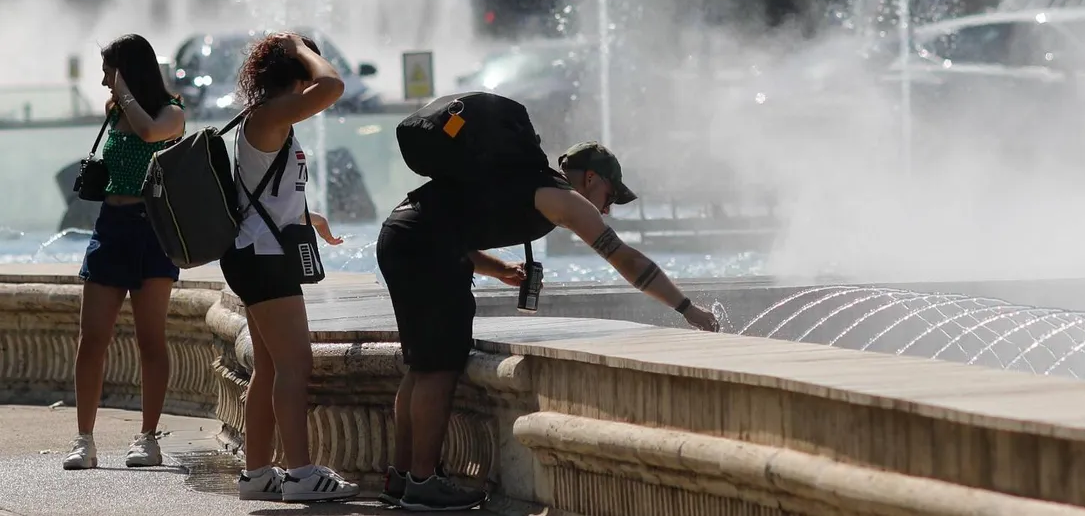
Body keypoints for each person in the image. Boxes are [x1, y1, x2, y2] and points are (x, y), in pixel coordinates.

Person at [375, 140, 720, 511]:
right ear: (591, 178)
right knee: (438, 368)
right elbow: (626, 260)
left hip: (401, 234)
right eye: (610, 195)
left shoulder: (530, 180)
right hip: (425, 248)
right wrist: (686, 308)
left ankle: (402, 477)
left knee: (422, 365)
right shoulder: (566, 199)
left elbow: (443, 223)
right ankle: (424, 483)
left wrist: (498, 269)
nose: (606, 208)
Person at [218, 32, 358, 503]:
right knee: (296, 365)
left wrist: (306, 216)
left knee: (272, 368)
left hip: (257, 251)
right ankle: (300, 473)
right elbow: (334, 86)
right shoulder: (270, 112)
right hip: (262, 258)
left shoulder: (265, 116)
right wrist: (301, 48)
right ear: (296, 74)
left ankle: (257, 473)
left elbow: (262, 191)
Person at [65, 34, 187, 470]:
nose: (103, 81)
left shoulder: (171, 111)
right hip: (111, 228)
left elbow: (151, 132)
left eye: (108, 71)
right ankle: (84, 439)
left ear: (128, 71)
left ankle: (148, 437)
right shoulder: (115, 110)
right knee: (92, 337)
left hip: (153, 230)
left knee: (150, 338)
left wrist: (126, 95)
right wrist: (121, 98)